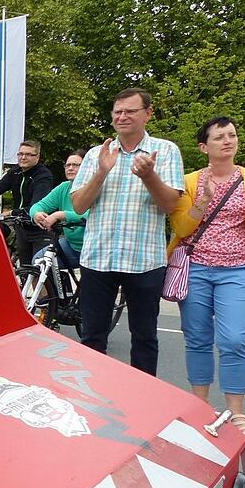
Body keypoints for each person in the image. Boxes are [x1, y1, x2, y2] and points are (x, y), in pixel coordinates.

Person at [71, 87, 184, 376]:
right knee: (92, 338)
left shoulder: (166, 150)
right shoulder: (98, 154)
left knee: (144, 338)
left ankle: (143, 403)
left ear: (148, 113)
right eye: (118, 112)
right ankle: (92, 398)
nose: (123, 117)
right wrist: (101, 171)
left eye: (130, 111)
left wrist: (149, 176)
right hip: (98, 259)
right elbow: (80, 205)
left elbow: (170, 204)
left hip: (144, 261)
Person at [168, 117, 245, 440]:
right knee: (197, 338)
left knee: (235, 339)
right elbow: (181, 229)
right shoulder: (189, 181)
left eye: (232, 135)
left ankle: (237, 413)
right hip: (195, 268)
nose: (227, 140)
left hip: (239, 268)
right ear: (203, 146)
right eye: (219, 136)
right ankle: (201, 406)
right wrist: (204, 201)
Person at [0, 140, 55, 265]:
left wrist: (11, 213)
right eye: (20, 154)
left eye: (28, 154)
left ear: (37, 157)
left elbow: (36, 206)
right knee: (25, 269)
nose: (23, 157)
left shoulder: (43, 176)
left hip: (39, 229)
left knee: (38, 269)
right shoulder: (15, 172)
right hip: (21, 226)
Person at [29, 150, 88, 269]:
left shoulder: (94, 187)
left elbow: (91, 215)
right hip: (71, 245)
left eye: (76, 165)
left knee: (88, 284)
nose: (70, 168)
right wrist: (36, 214)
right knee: (38, 263)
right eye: (67, 165)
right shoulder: (63, 188)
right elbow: (38, 205)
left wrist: (61, 215)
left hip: (93, 248)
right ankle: (57, 287)